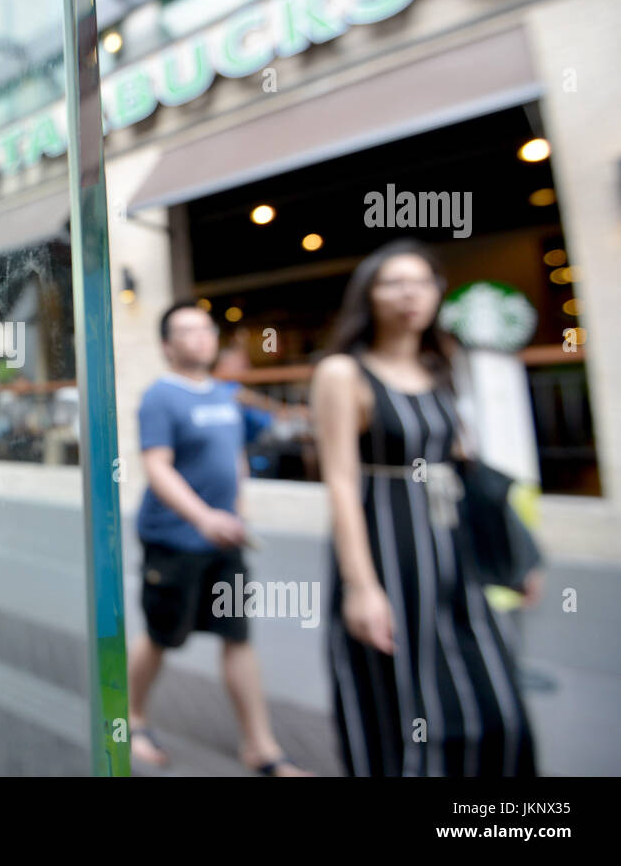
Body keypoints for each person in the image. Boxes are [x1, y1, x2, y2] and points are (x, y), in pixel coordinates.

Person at [309, 238, 539, 777]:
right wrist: (362, 587)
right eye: (394, 281)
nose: (410, 293)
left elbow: (469, 468)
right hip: (390, 549)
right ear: (369, 293)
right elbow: (340, 483)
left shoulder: (441, 367)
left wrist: (519, 553)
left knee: (497, 705)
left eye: (423, 281)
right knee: (397, 698)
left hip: (456, 552)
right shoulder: (344, 373)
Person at [128, 301, 311, 776]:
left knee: (237, 638)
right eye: (187, 332)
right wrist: (203, 517)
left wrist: (236, 515)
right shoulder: (160, 398)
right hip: (173, 541)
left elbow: (234, 461)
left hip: (225, 541)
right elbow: (157, 467)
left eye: (205, 329)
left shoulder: (226, 396)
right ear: (168, 346)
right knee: (160, 636)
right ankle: (130, 718)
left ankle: (261, 747)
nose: (201, 338)